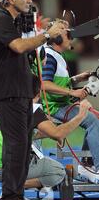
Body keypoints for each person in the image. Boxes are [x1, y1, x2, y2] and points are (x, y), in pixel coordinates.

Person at [0, 0, 64, 200]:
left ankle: (15, 196)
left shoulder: (12, 21)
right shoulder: (0, 19)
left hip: (18, 92)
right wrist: (48, 35)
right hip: (8, 92)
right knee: (16, 145)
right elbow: (19, 46)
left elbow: (26, 47)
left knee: (21, 145)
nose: (30, 0)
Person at [0, 75, 91, 200]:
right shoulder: (30, 108)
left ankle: (10, 189)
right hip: (5, 169)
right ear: (38, 93)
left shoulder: (4, 104)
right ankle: (11, 191)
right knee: (58, 172)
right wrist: (81, 114)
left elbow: (20, 133)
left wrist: (52, 133)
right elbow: (58, 134)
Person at [42, 27, 99, 177]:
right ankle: (95, 167)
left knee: (96, 119)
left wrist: (79, 78)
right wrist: (72, 92)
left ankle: (87, 164)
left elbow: (60, 82)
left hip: (61, 103)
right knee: (93, 122)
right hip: (54, 107)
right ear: (58, 39)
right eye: (68, 36)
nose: (71, 39)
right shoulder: (50, 57)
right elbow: (45, 84)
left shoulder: (56, 55)